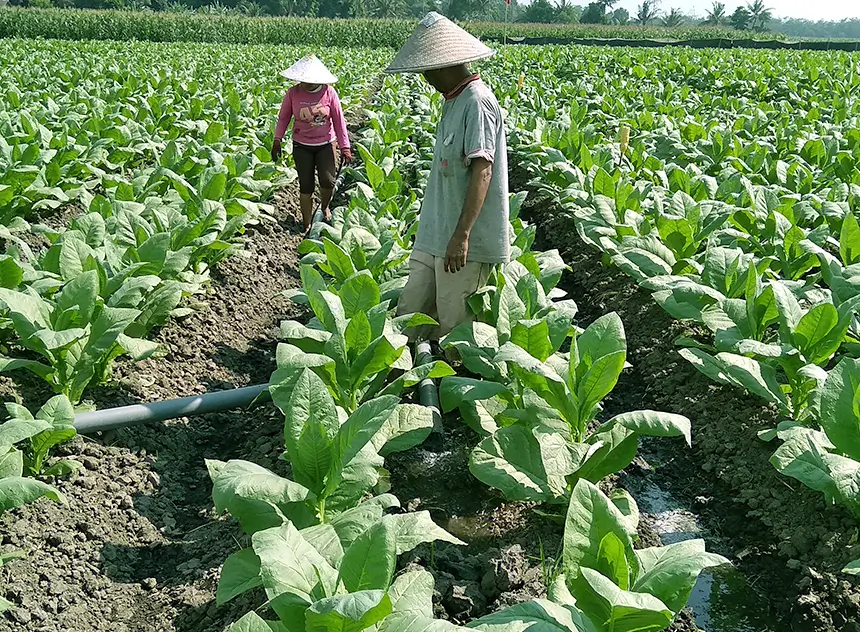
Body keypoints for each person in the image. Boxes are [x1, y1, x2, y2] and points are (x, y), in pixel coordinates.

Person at [386, 13, 510, 342]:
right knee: (409, 318)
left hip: (463, 244)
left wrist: (462, 235)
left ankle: (448, 388)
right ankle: (409, 384)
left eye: (427, 69)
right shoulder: (453, 101)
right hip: (435, 236)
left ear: (444, 66)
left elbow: (482, 172)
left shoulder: (477, 102)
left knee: (456, 330)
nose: (425, 77)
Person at [271, 55, 352, 235]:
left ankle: (324, 207)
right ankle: (306, 223)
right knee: (305, 186)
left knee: (328, 181)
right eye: (303, 79)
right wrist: (277, 139)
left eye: (309, 80)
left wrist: (344, 146)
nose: (305, 83)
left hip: (326, 143)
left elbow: (339, 122)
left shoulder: (329, 93)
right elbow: (284, 118)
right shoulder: (293, 93)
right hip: (301, 145)